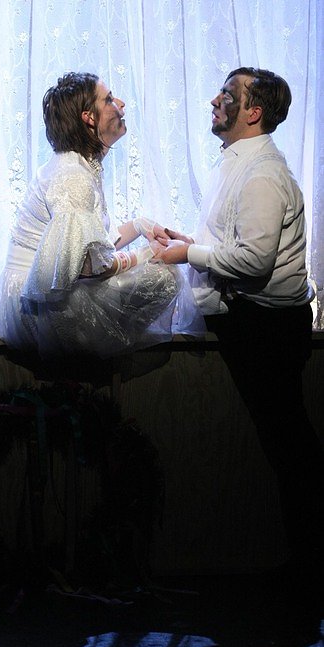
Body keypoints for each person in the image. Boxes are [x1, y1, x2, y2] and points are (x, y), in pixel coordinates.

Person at [156, 67, 323, 581]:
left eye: (228, 95)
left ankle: (309, 567)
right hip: (257, 323)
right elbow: (239, 244)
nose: (215, 100)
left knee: (290, 448)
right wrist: (189, 244)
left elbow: (253, 262)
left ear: (253, 112)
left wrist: (189, 254)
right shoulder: (242, 164)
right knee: (285, 446)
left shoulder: (263, 175)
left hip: (267, 328)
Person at [0, 72, 203, 361]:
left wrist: (141, 226)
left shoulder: (79, 165)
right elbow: (88, 267)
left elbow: (93, 245)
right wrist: (147, 254)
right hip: (42, 308)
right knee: (165, 277)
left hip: (43, 297)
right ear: (89, 118)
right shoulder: (72, 176)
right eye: (109, 99)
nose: (121, 104)